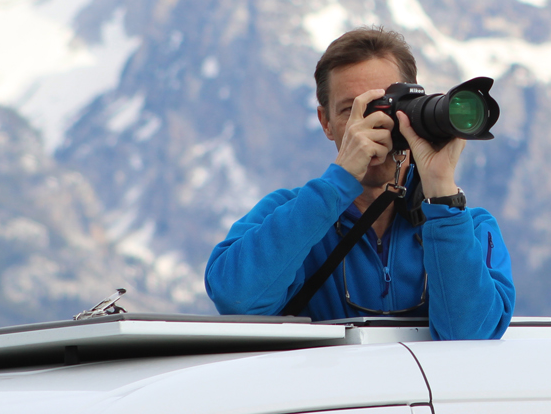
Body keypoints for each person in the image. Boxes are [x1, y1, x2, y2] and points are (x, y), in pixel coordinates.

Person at [205, 27, 514, 339]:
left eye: (386, 107)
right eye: (351, 111)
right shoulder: (288, 213)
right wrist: (337, 184)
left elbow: (471, 339)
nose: (371, 124)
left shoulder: (470, 229)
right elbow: (236, 299)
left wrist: (441, 192)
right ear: (325, 122)